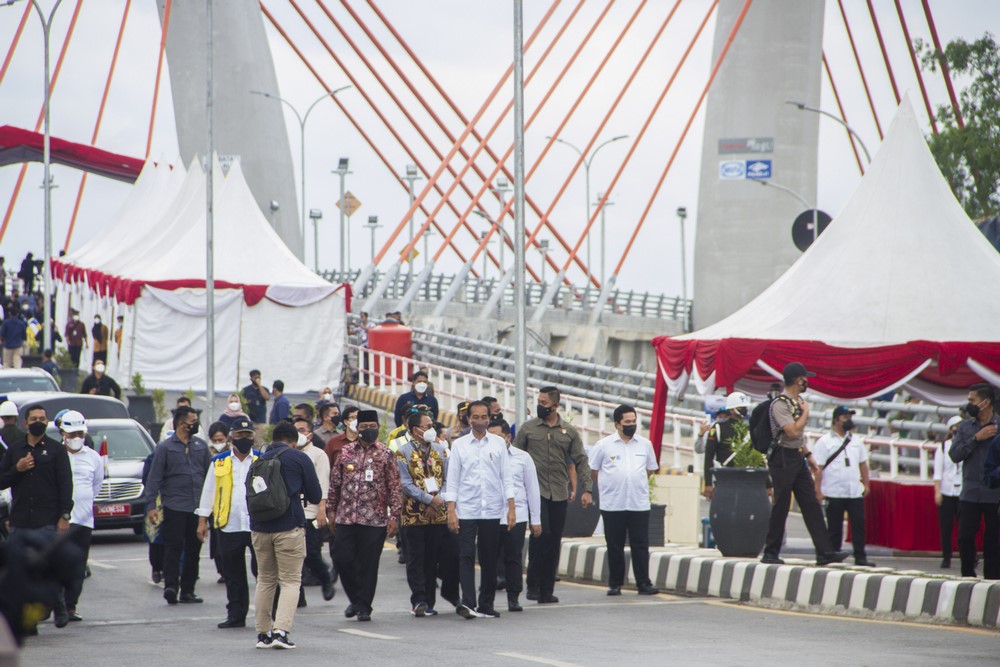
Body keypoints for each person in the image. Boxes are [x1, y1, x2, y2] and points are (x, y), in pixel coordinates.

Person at [762, 363, 848, 566]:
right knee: (781, 505)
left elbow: (797, 437)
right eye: (804, 378)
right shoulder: (780, 404)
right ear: (797, 380)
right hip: (782, 458)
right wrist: (805, 413)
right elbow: (791, 431)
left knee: (811, 503)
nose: (806, 382)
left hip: (796, 456)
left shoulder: (797, 402)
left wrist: (808, 454)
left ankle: (824, 552)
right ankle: (770, 551)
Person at [513, 387, 592, 604]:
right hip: (534, 492)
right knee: (540, 536)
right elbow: (513, 457)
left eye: (544, 402)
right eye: (538, 401)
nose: (540, 405)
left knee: (554, 540)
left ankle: (547, 589)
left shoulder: (569, 431)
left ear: (555, 406)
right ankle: (533, 585)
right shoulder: (528, 429)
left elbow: (581, 460)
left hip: (558, 492)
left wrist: (587, 489)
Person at [0, 404, 75, 627]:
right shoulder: (14, 450)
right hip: (22, 519)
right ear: (25, 422)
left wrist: (64, 514)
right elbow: (3, 480)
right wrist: (18, 469)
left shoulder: (56, 450)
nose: (38, 422)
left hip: (48, 518)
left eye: (42, 418)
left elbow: (65, 483)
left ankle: (59, 606)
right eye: (34, 418)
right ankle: (27, 620)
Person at [250, 421, 322, 650]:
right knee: (290, 581)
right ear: (293, 440)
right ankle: (281, 631)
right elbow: (315, 494)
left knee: (265, 579)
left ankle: (263, 633)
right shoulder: (299, 458)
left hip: (260, 528)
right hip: (289, 527)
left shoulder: (259, 459)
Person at [327, 409, 403, 622]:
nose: (368, 431)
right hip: (346, 516)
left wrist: (394, 516)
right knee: (342, 559)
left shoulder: (386, 454)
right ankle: (355, 598)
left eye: (372, 427)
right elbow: (335, 484)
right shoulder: (346, 452)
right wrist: (331, 511)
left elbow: (394, 487)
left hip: (375, 519)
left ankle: (363, 606)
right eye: (364, 427)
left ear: (378, 428)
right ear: (356, 428)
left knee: (368, 565)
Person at [444, 401, 515, 619]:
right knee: (465, 556)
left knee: (489, 558)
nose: (480, 421)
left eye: (484, 417)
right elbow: (452, 480)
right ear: (468, 418)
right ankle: (468, 603)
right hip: (466, 510)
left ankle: (486, 603)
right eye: (475, 417)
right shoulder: (460, 445)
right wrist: (451, 511)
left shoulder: (498, 444)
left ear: (488, 418)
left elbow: (507, 477)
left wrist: (511, 508)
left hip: (492, 510)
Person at [144, 406, 212, 604]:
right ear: (182, 424)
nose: (196, 424)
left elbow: (209, 478)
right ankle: (171, 586)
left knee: (193, 551)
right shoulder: (165, 448)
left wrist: (209, 510)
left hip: (197, 509)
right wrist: (151, 506)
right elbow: (154, 478)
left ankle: (188, 590)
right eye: (193, 421)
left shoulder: (200, 446)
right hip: (174, 506)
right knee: (173, 548)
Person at [196, 417, 260, 629]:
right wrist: (202, 520)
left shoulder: (263, 460)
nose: (244, 439)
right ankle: (236, 614)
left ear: (253, 437)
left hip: (257, 524)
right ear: (232, 437)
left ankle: (268, 614)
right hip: (228, 524)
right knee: (233, 574)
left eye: (248, 435)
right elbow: (209, 491)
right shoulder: (220, 461)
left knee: (264, 573)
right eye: (240, 436)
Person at [590, 405, 660, 596]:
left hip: (639, 503)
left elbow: (651, 469)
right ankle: (615, 584)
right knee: (614, 545)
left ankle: (643, 583)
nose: (631, 425)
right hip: (613, 504)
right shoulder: (603, 445)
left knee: (640, 545)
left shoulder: (645, 444)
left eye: (634, 421)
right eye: (627, 422)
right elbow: (593, 470)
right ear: (617, 424)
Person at [396, 410, 459, 616]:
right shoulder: (402, 452)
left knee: (435, 558)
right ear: (415, 430)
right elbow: (405, 484)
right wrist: (430, 499)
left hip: (439, 514)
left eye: (432, 425)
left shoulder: (440, 451)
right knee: (416, 560)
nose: (431, 429)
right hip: (414, 515)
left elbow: (449, 478)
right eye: (427, 426)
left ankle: (431, 600)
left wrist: (439, 497)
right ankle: (419, 599)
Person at [812, 406, 875, 567]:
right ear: (836, 419)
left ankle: (861, 557)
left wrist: (866, 484)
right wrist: (818, 490)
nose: (848, 419)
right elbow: (818, 468)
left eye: (849, 416)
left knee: (859, 525)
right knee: (834, 527)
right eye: (845, 416)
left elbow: (863, 464)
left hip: (854, 491)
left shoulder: (856, 441)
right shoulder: (824, 442)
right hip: (833, 491)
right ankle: (833, 555)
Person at [489, 419, 540, 611]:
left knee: (513, 557)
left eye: (497, 437)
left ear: (508, 437)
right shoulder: (485, 456)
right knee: (490, 557)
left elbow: (532, 490)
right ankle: (488, 598)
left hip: (516, 515)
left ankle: (514, 596)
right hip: (491, 515)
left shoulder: (523, 458)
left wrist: (536, 520)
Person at [950, 383, 1000, 578]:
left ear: (985, 402)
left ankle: (993, 580)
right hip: (970, 493)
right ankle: (967, 576)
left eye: (972, 400)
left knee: (993, 540)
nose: (969, 404)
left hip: (994, 494)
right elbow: (954, 454)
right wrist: (975, 439)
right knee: (965, 537)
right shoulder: (965, 427)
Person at [58, 410, 105, 621]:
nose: (76, 438)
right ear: (63, 433)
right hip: (60, 521)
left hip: (84, 521)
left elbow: (97, 485)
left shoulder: (93, 457)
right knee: (56, 565)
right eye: (72, 434)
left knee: (77, 568)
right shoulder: (55, 455)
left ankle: (70, 606)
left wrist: (84, 503)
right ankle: (55, 604)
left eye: (80, 434)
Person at [292, 416, 335, 605]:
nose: (299, 434)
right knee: (292, 557)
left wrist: (322, 509)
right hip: (292, 512)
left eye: (302, 430)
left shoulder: (318, 454)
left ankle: (325, 578)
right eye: (296, 430)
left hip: (311, 511)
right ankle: (297, 596)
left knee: (310, 552)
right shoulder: (288, 454)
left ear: (310, 433)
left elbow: (324, 483)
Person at [702, 391, 751, 500]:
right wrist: (708, 483)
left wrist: (768, 483)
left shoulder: (748, 431)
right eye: (741, 407)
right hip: (723, 478)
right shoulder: (718, 428)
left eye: (744, 407)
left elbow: (755, 456)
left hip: (744, 478)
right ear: (732, 410)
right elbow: (709, 456)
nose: (744, 409)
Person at [934, 415, 963, 569]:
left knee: (965, 527)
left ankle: (968, 556)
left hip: (962, 492)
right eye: (955, 426)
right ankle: (946, 557)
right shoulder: (943, 446)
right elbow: (938, 472)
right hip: (946, 491)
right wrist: (937, 492)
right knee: (946, 527)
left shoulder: (967, 445)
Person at [205, 423, 231, 583]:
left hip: (229, 502)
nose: (218, 442)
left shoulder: (234, 452)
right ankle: (221, 569)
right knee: (217, 539)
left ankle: (229, 569)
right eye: (215, 439)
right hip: (214, 504)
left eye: (220, 439)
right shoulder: (206, 453)